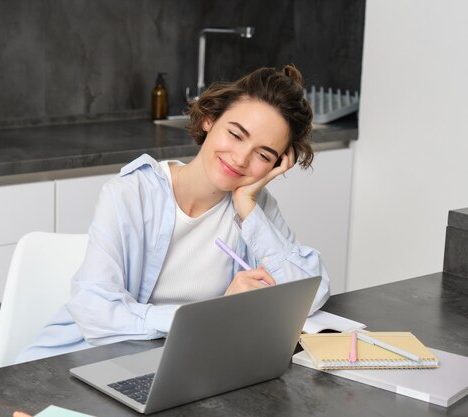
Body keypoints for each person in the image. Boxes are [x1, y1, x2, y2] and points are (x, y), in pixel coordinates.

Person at [17, 64, 330, 362]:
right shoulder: (132, 193)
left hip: (178, 366)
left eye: (263, 154)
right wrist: (214, 314)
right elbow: (96, 312)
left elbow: (310, 293)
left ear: (276, 165)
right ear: (209, 119)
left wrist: (247, 204)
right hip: (77, 363)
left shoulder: (255, 208)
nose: (240, 159)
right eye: (235, 134)